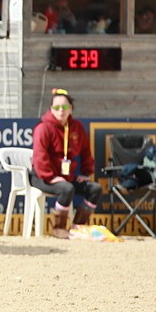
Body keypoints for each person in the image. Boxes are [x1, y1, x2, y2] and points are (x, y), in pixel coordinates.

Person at [30, 88, 102, 239]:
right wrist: (50, 177)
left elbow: (86, 151)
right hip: (42, 177)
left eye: (64, 107)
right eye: (57, 107)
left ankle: (78, 227)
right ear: (51, 109)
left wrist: (85, 172)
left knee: (95, 189)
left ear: (71, 108)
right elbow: (39, 156)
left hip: (65, 175)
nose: (61, 111)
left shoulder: (76, 127)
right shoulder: (43, 128)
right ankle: (59, 228)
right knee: (67, 189)